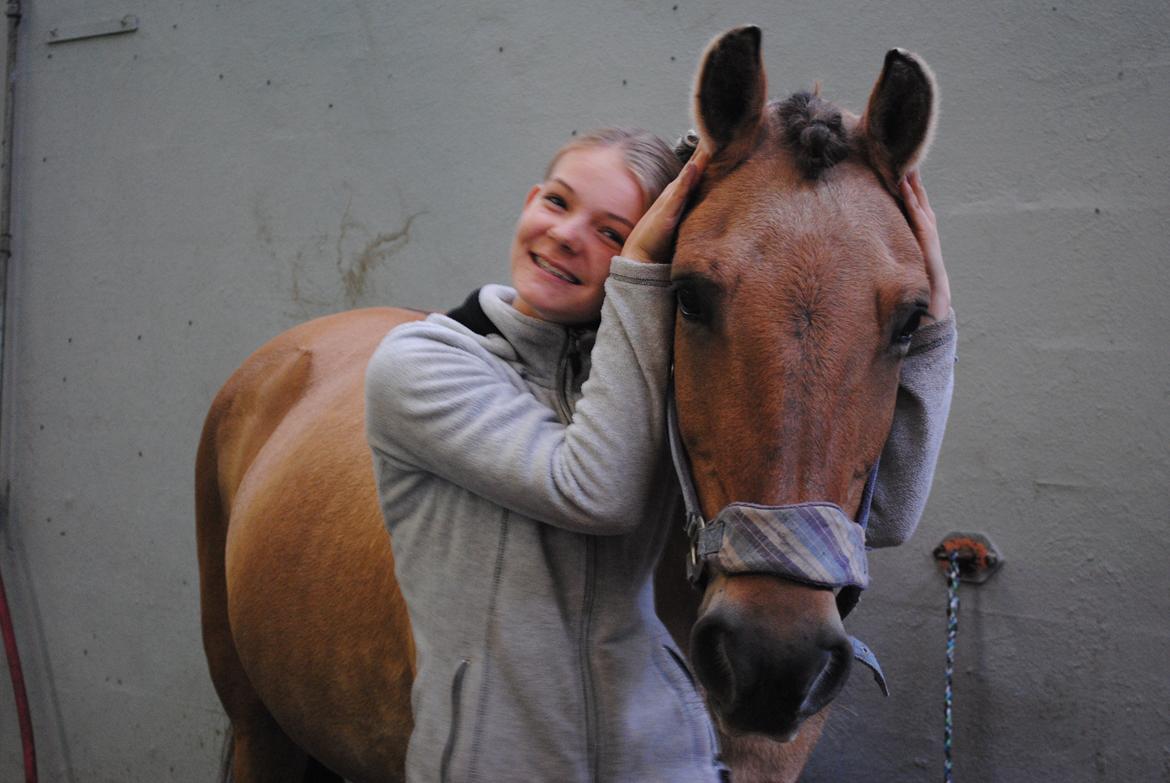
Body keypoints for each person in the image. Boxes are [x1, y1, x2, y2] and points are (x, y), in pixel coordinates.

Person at [364, 129, 954, 782]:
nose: (566, 235)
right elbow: (595, 490)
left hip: (662, 763)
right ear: (530, 199)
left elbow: (883, 518)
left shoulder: (664, 393)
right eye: (558, 203)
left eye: (614, 232)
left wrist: (932, 329)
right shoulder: (421, 364)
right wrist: (640, 273)